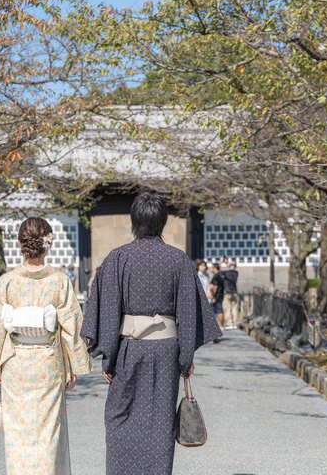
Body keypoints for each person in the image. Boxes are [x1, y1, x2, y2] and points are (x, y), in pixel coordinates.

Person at [81, 192, 222, 475]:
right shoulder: (179, 260)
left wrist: (108, 358)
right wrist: (185, 358)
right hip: (166, 352)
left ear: (135, 221)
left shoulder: (117, 258)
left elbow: (108, 312)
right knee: (159, 423)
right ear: (163, 222)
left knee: (119, 418)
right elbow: (187, 312)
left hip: (128, 351)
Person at [0, 217, 92, 475]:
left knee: (17, 435)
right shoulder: (59, 281)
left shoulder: (8, 281)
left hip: (16, 362)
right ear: (47, 245)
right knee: (48, 432)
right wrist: (74, 365)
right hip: (48, 364)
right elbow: (71, 327)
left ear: (20, 244)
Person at [222, 260, 240, 329]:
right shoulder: (236, 273)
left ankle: (229, 323)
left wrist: (225, 263)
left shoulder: (226, 273)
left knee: (227, 308)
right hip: (235, 292)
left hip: (227, 293)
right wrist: (227, 264)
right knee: (235, 309)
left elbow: (220, 272)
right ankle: (234, 323)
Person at [209, 262, 228, 329]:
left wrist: (213, 296)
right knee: (218, 310)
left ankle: (221, 325)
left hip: (216, 296)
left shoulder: (216, 276)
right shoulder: (220, 275)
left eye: (211, 267)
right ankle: (221, 325)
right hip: (220, 295)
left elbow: (214, 287)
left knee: (219, 310)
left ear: (214, 268)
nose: (210, 269)